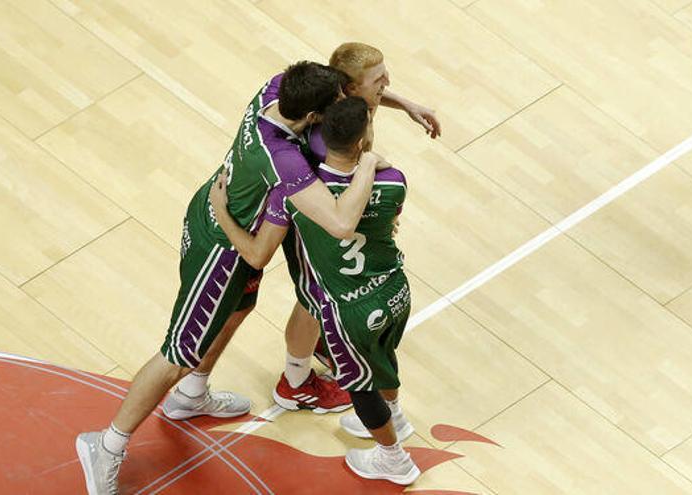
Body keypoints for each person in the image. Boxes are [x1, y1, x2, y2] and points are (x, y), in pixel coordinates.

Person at [75, 61, 386, 495]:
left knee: (240, 308)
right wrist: (369, 163)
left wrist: (399, 101)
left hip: (215, 213)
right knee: (178, 352)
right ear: (313, 117)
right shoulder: (284, 164)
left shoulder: (274, 91)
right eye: (332, 106)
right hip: (223, 251)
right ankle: (106, 446)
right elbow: (339, 222)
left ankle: (191, 395)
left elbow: (341, 82)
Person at [174, 42, 441, 416]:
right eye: (379, 79)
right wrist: (371, 183)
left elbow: (370, 93)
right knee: (316, 296)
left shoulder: (342, 99)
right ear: (347, 90)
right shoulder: (324, 136)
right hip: (312, 216)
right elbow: (335, 215)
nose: (387, 82)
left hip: (321, 207)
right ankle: (296, 383)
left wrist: (407, 105)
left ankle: (311, 350)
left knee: (310, 301)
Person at [210, 96, 420, 485]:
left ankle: (394, 459)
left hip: (347, 310)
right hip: (394, 289)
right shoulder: (395, 180)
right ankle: (397, 417)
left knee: (360, 387)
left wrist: (222, 211)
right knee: (382, 355)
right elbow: (386, 222)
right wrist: (371, 162)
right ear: (364, 139)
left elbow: (257, 255)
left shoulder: (295, 195)